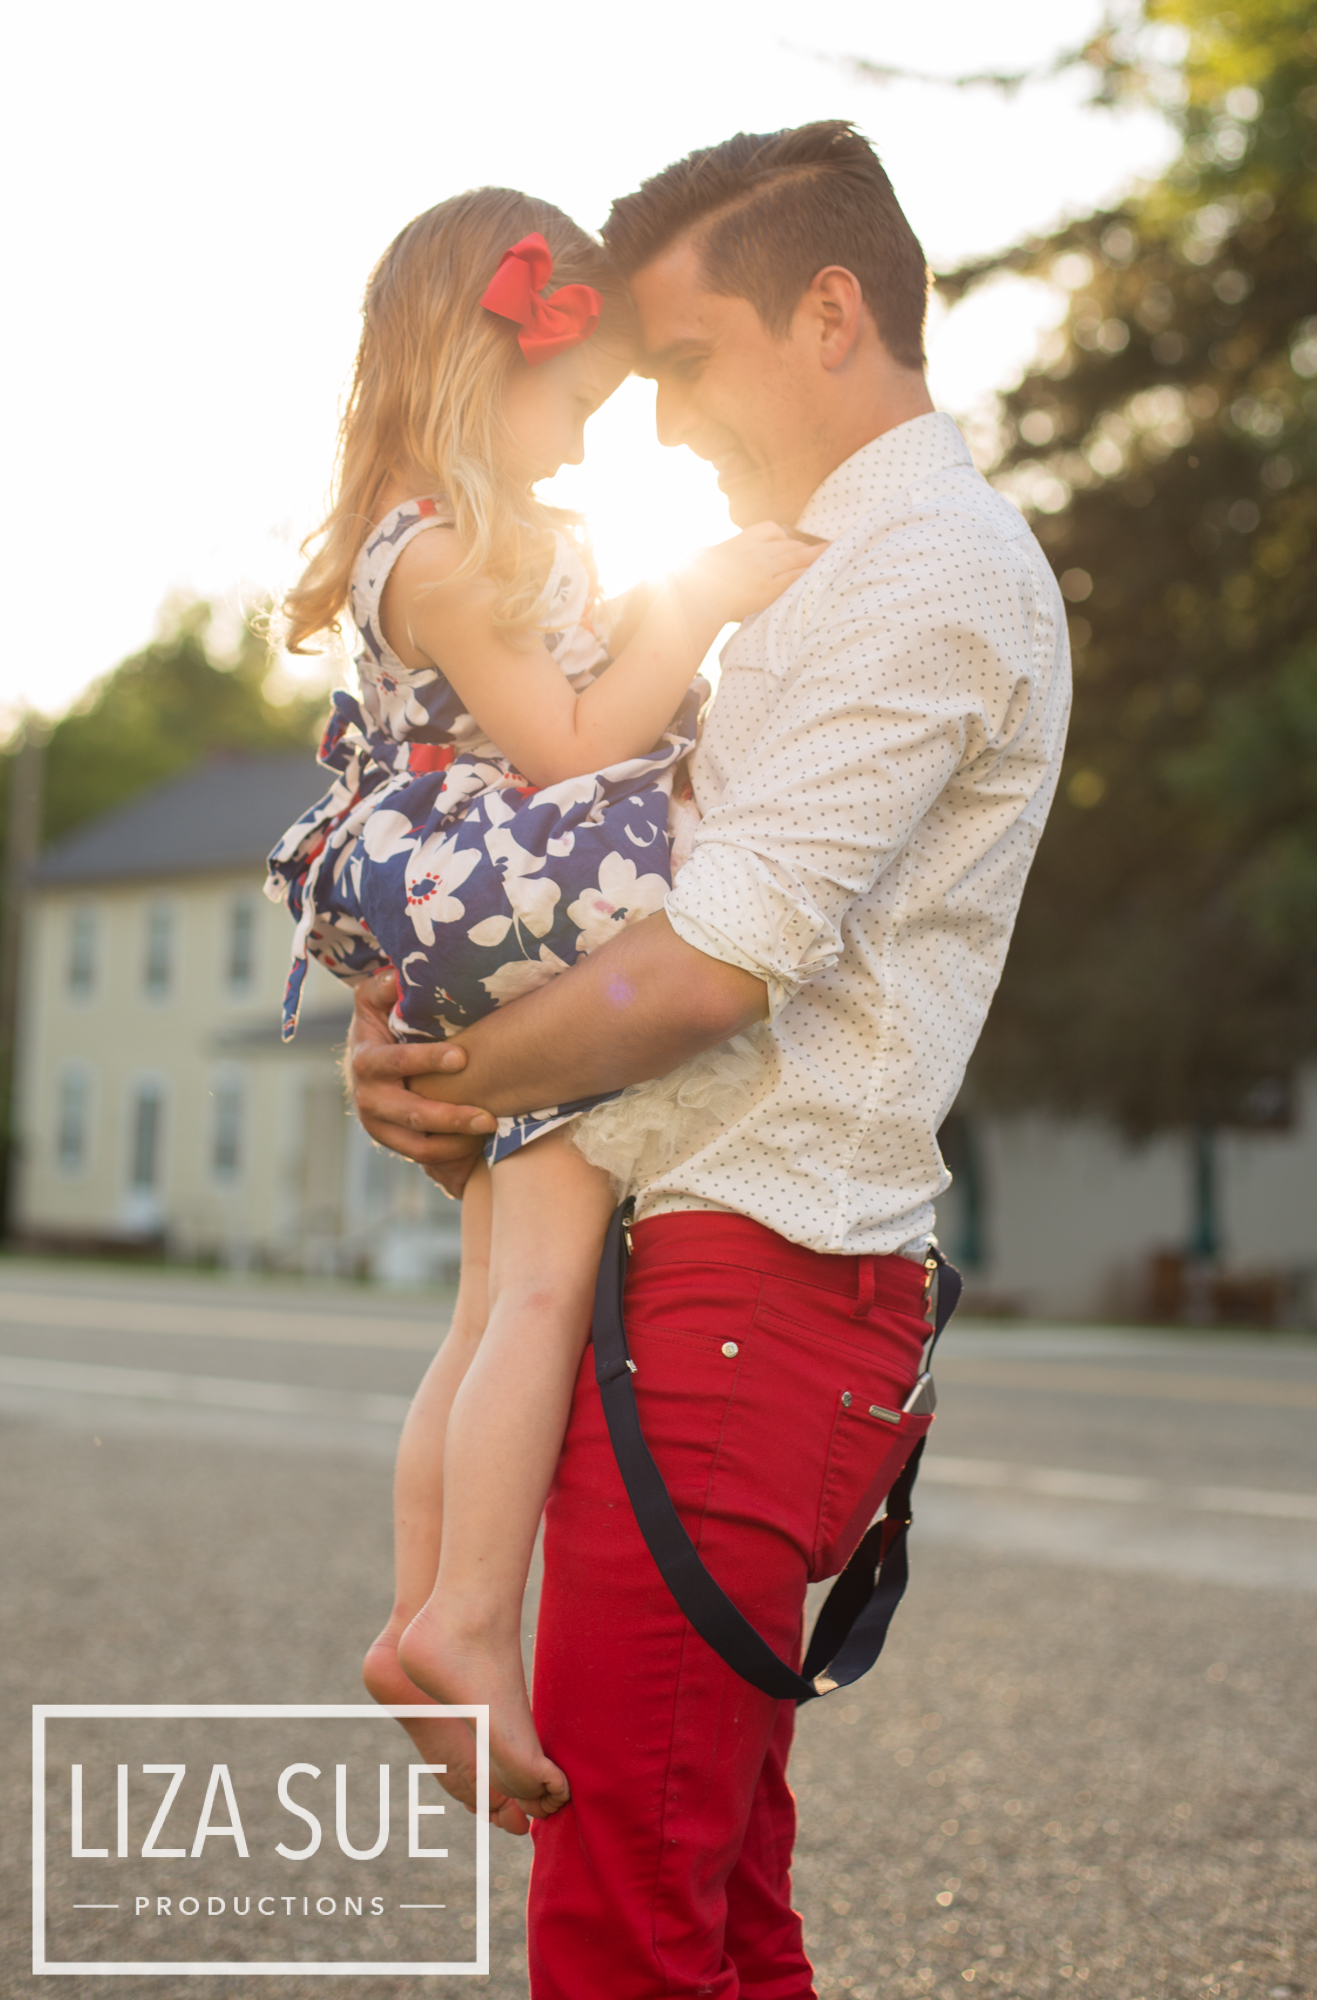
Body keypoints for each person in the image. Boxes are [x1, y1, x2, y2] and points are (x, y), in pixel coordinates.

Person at [348, 121, 1072, 2000]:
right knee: (710, 1906)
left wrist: (458, 1080)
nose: (658, 428)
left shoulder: (921, 570)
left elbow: (707, 970)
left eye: (680, 367)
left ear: (827, 313)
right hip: (701, 1272)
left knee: (632, 1920)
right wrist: (458, 1083)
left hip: (751, 1290)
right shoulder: (829, 572)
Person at [266, 188, 822, 1819]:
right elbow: (575, 745)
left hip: (474, 896)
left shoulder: (424, 534)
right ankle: (463, 1624)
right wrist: (700, 600)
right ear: (483, 358)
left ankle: (421, 1615)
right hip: (522, 905)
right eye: (574, 404)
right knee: (535, 1299)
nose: (582, 451)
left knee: (487, 1298)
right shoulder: (438, 554)